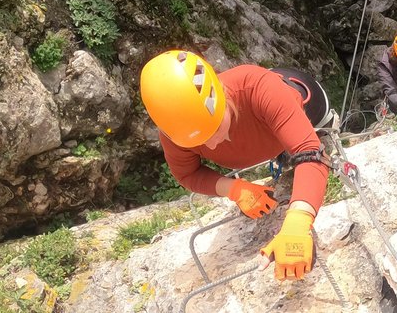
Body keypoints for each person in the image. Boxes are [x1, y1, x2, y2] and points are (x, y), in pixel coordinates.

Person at [139, 50, 331, 280]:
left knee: (319, 138)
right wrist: (233, 189)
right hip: (265, 132)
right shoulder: (177, 131)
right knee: (285, 151)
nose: (211, 144)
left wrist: (298, 220)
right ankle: (281, 152)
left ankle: (316, 132)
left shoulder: (257, 87)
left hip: (305, 101)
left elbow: (308, 150)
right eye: (199, 142)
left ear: (221, 95)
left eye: (216, 127)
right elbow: (187, 174)